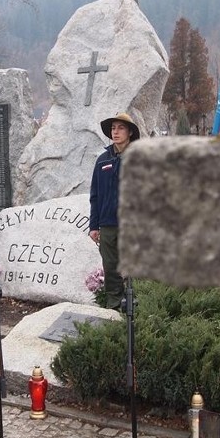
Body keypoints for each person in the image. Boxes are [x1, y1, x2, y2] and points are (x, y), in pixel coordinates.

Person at [89, 112, 141, 310]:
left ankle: (135, 307)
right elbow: (95, 195)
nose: (116, 132)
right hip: (108, 225)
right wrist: (94, 226)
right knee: (111, 268)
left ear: (129, 132)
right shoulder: (102, 160)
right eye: (113, 128)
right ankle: (114, 307)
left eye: (120, 128)